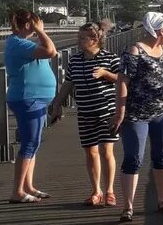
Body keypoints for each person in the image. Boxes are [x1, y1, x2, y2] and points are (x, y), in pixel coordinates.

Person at [114, 11, 163, 222]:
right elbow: (122, 81)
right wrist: (120, 111)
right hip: (137, 114)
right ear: (160, 31)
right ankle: (128, 206)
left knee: (162, 156)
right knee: (134, 158)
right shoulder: (135, 51)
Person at [50, 23, 122, 207]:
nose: (79, 41)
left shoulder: (110, 58)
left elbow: (122, 80)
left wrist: (106, 73)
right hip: (85, 112)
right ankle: (96, 191)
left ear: (95, 39)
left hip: (106, 112)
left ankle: (110, 191)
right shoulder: (75, 60)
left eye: (83, 38)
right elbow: (68, 84)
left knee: (107, 152)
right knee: (91, 152)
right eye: (79, 37)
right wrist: (57, 103)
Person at [3, 9, 58, 203]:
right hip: (28, 98)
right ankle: (17, 191)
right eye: (35, 25)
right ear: (29, 25)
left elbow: (49, 51)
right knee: (29, 144)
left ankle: (28, 186)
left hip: (36, 99)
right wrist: (42, 31)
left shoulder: (23, 44)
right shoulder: (18, 44)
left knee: (32, 144)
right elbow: (51, 51)